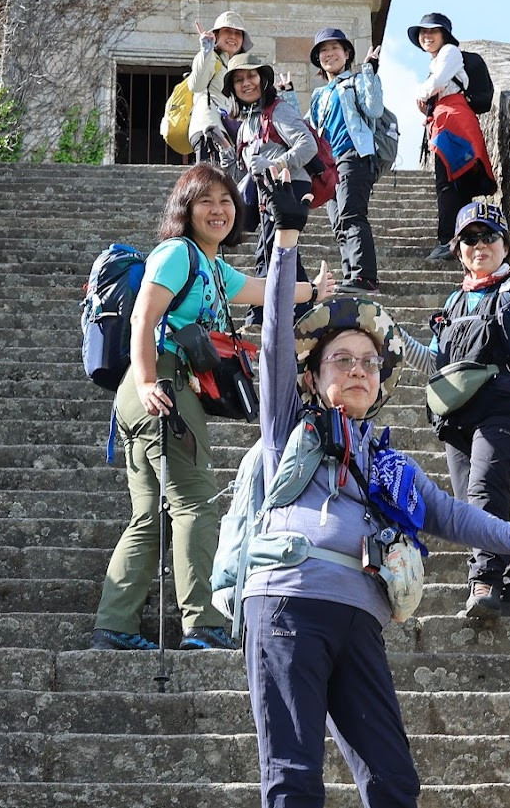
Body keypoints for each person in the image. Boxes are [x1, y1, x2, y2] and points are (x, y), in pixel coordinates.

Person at [245, 164, 510, 807]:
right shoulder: (289, 424)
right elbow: (277, 340)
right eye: (341, 359)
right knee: (293, 779)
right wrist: (286, 239)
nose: (360, 370)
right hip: (289, 603)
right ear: (312, 376)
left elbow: (450, 514)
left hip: (360, 616)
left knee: (394, 782)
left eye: (369, 362)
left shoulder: (390, 462)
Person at [91, 162, 331, 652]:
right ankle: (202, 624)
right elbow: (144, 315)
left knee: (150, 516)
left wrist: (314, 290)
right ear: (187, 209)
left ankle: (114, 626)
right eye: (206, 201)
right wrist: (148, 379)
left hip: (148, 391)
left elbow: (265, 289)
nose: (218, 210)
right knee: (196, 503)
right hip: (162, 381)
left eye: (225, 201)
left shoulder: (212, 267)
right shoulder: (176, 253)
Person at [398, 202, 510, 619]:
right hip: (458, 415)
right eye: (469, 238)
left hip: (508, 404)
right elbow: (435, 363)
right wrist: (392, 338)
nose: (480, 245)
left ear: (505, 245)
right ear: (458, 249)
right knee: (469, 502)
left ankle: (484, 578)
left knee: (483, 492)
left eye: (489, 236)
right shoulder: (453, 302)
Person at [222, 52, 318, 324]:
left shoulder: (279, 109)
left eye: (251, 75)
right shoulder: (246, 122)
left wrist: (273, 164)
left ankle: (262, 314)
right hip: (267, 190)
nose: (246, 83)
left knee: (271, 249)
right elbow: (246, 168)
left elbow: (307, 145)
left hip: (288, 188)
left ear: (263, 79)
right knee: (281, 251)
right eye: (239, 79)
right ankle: (303, 312)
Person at [409, 12, 496, 261]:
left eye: (432, 31)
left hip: (452, 120)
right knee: (455, 181)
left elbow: (435, 84)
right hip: (450, 119)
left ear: (444, 35)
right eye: (423, 33)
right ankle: (457, 239)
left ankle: (448, 240)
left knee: (447, 182)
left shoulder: (449, 52)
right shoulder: (440, 59)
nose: (426, 36)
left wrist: (420, 92)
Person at [306, 26, 384, 295]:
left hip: (354, 155)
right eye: (323, 51)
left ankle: (365, 276)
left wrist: (370, 71)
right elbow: (305, 127)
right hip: (328, 164)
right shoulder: (319, 95)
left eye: (334, 49)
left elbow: (374, 108)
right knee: (338, 221)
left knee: (352, 214)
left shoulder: (356, 81)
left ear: (347, 53)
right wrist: (288, 94)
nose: (329, 55)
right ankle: (351, 273)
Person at [187, 10, 251, 163]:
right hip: (208, 129)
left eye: (238, 33)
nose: (233, 37)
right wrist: (206, 51)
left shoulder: (236, 67)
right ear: (216, 35)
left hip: (227, 131)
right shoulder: (209, 57)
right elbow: (196, 85)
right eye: (228, 31)